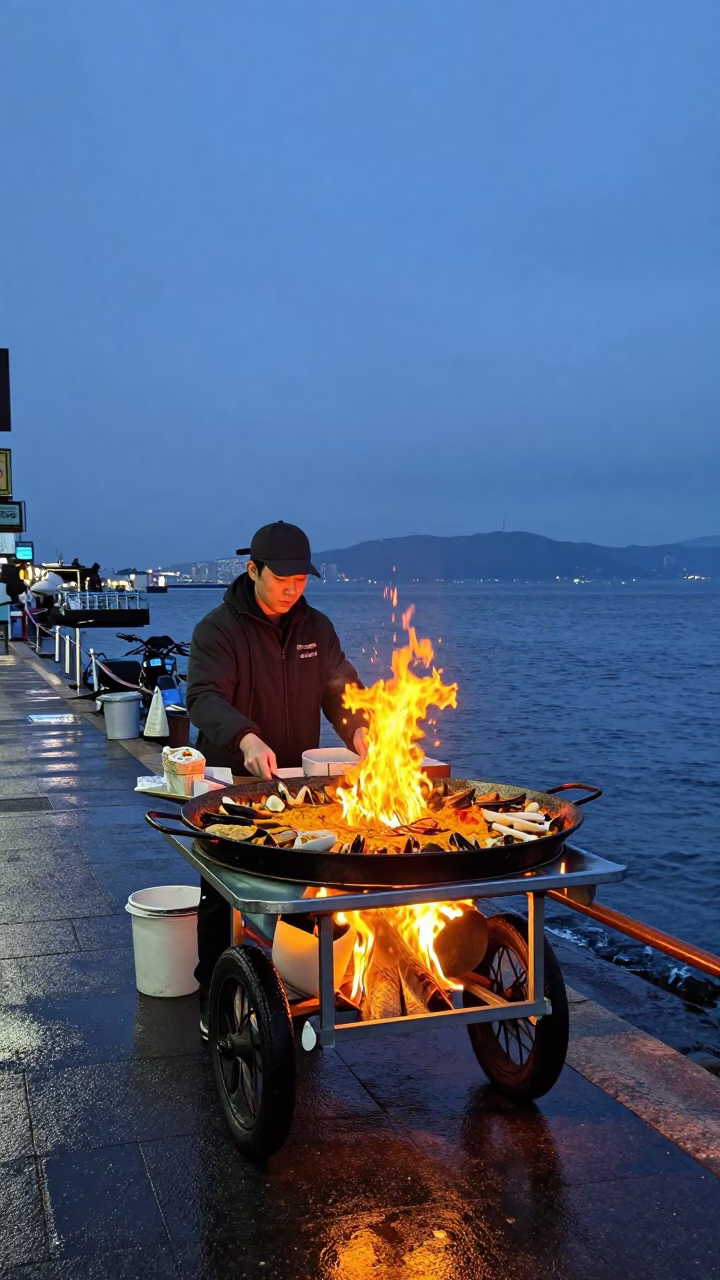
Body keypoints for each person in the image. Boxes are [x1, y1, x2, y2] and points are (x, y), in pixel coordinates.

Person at [186, 520, 367, 1038]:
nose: (292, 588)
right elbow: (204, 698)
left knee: (305, 882)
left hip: (300, 784)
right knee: (224, 891)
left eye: (301, 580)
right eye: (282, 578)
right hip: (238, 780)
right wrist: (245, 737)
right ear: (252, 569)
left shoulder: (317, 628)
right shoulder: (218, 629)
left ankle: (290, 983)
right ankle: (213, 998)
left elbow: (342, 692)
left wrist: (362, 734)